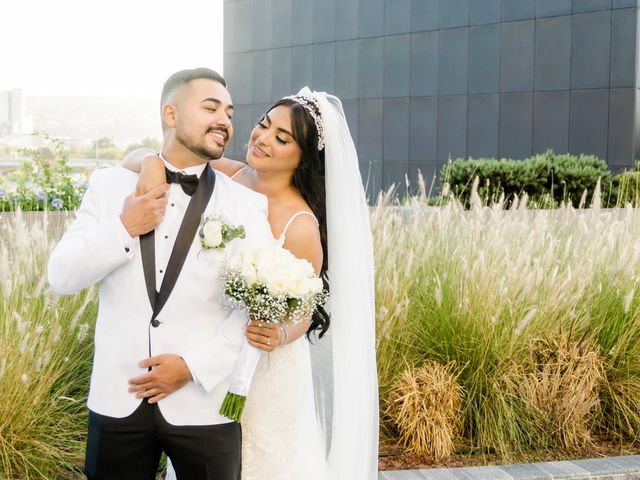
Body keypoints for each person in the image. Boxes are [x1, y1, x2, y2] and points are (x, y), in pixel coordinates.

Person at [123, 87, 379, 479]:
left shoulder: (300, 225)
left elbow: (306, 311)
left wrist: (279, 333)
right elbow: (132, 157)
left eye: (282, 138)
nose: (262, 138)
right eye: (263, 124)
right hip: (206, 353)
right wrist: (153, 165)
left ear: (304, 157)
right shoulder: (230, 174)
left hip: (265, 372)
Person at [48, 68, 273, 480]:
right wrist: (124, 227)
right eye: (210, 107)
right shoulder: (109, 185)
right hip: (118, 397)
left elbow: (257, 306)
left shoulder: (245, 205)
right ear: (171, 113)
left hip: (205, 403)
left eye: (229, 111)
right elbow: (61, 275)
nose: (224, 119)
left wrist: (191, 366)